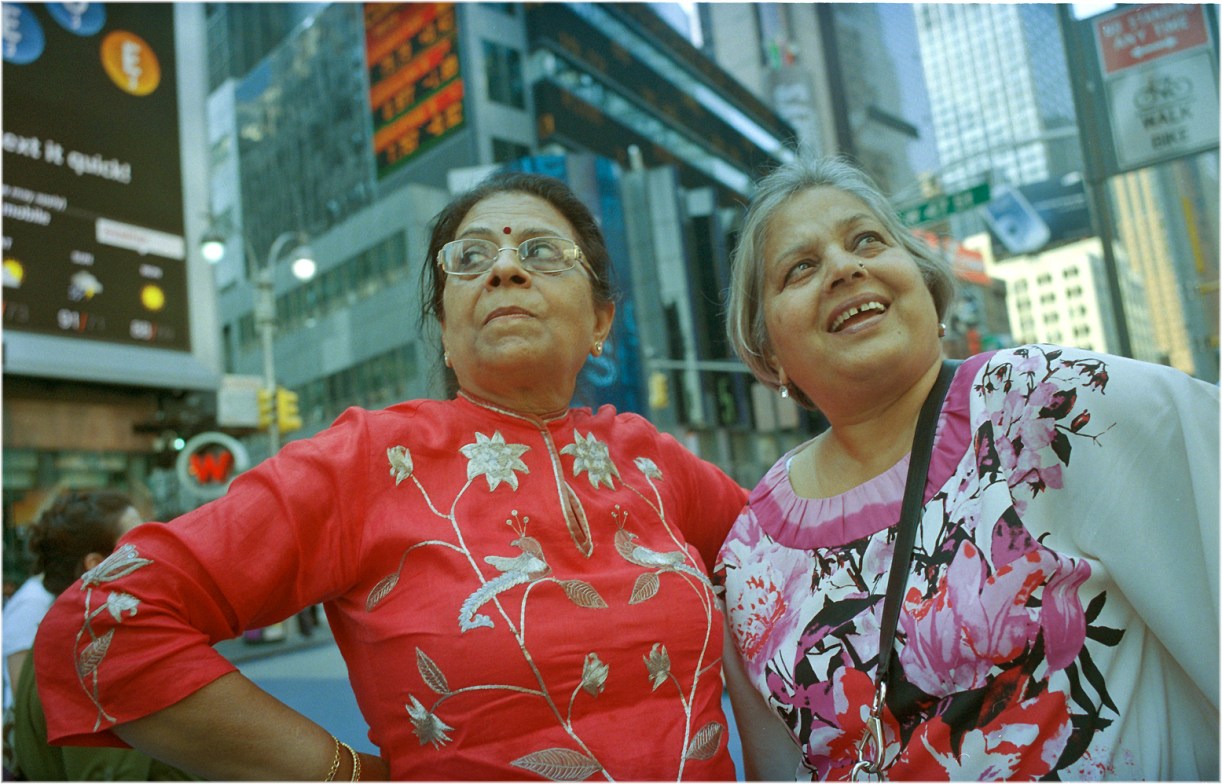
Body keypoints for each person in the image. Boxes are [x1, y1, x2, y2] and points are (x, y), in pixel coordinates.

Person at [34, 171, 748, 781]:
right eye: (469, 259)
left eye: (540, 252)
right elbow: (103, 622)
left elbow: (800, 565)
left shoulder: (654, 461)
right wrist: (340, 772)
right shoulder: (368, 462)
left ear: (601, 321)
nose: (505, 269)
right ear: (444, 326)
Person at [716, 154, 1219, 780]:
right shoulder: (749, 556)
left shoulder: (1043, 402)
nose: (845, 268)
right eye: (801, 267)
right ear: (768, 350)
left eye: (867, 239)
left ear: (926, 284)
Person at [6, 489, 194, 779]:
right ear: (96, 565)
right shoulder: (94, 653)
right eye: (138, 541)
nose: (155, 549)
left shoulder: (64, 639)